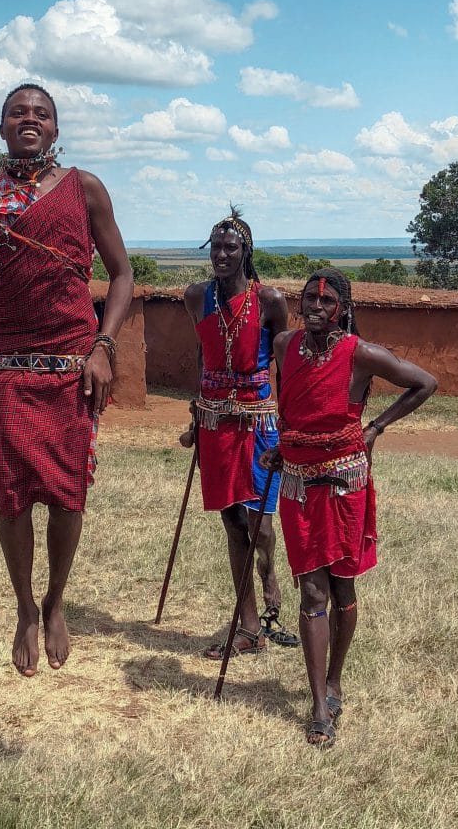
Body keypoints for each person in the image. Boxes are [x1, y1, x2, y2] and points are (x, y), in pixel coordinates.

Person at [0, 83, 133, 677]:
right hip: (6, 366)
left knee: (67, 492)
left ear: (56, 128)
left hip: (74, 367)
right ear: (0, 127)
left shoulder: (85, 189)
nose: (30, 120)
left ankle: (56, 601)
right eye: (17, 112)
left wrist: (103, 346)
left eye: (41, 113)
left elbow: (122, 274)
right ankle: (25, 608)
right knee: (13, 497)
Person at [260, 268, 436, 747]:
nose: (316, 307)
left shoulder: (359, 354)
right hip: (297, 484)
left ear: (343, 307)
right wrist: (284, 445)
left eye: (327, 301)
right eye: (309, 299)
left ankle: (335, 679)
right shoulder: (283, 347)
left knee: (341, 588)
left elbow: (424, 383)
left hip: (343, 485)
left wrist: (376, 427)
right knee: (311, 594)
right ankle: (319, 706)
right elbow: (291, 406)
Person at [180, 208, 297, 660]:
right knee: (231, 521)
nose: (222, 254)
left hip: (259, 419)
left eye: (231, 247)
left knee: (261, 523)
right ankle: (248, 626)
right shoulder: (196, 297)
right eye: (216, 247)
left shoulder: (269, 300)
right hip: (215, 422)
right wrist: (196, 414)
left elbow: (284, 361)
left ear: (247, 252)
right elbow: (202, 355)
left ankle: (269, 577)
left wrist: (288, 422)